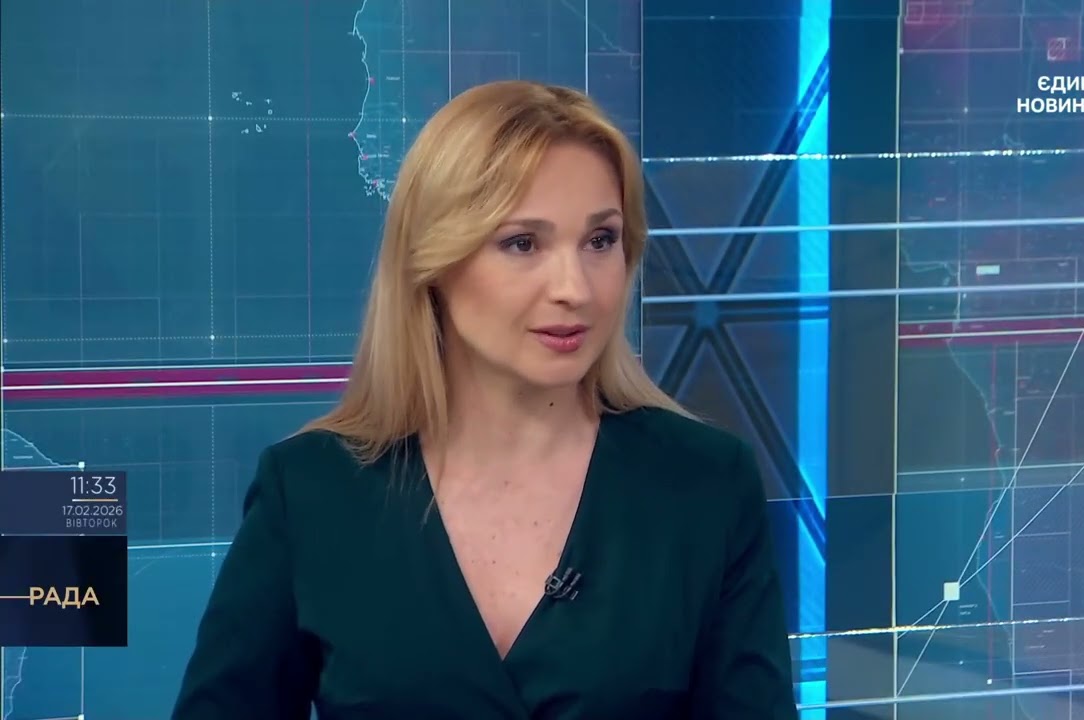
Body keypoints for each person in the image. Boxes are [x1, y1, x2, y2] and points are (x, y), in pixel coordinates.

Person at [170, 79, 798, 720]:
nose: (575, 288)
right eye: (523, 243)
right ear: (435, 262)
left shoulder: (706, 484)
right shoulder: (309, 491)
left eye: (600, 241)